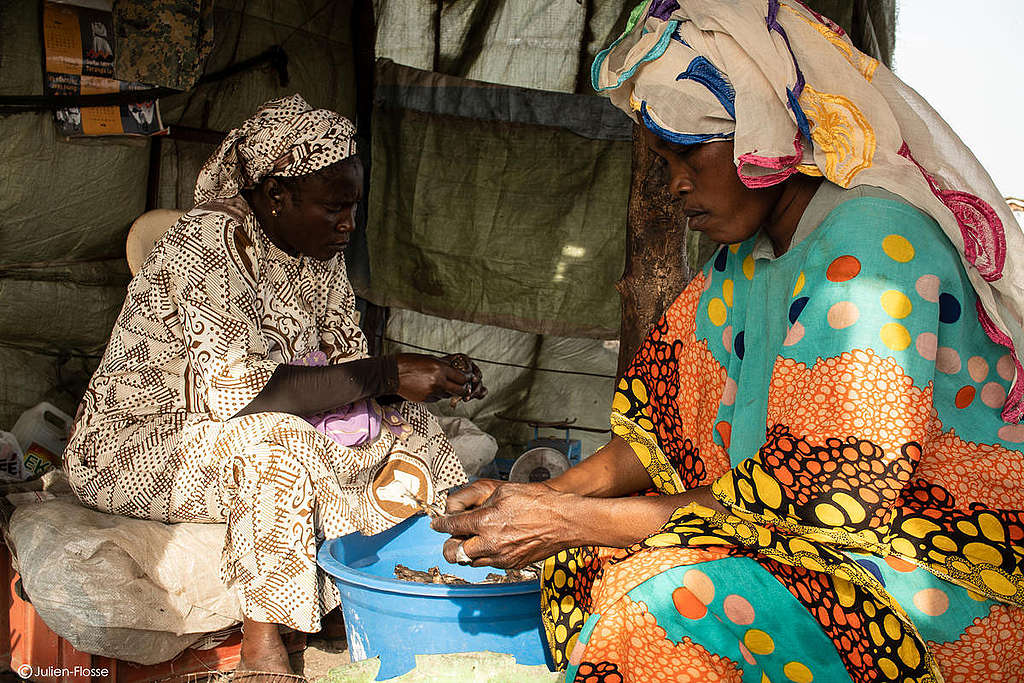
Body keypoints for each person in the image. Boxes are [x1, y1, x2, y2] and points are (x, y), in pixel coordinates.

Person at [433, 2, 1024, 681]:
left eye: (688, 153)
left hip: (932, 581)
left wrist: (568, 514)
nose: (674, 183)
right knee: (582, 558)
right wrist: (546, 503)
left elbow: (822, 497)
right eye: (663, 160)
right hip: (806, 547)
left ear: (767, 128)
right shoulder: (743, 262)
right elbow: (659, 424)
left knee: (662, 608)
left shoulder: (875, 248)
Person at [65, 94, 486, 675]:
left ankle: (400, 579)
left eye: (354, 208)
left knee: (410, 427)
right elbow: (245, 398)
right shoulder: (204, 246)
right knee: (275, 444)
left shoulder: (317, 253)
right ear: (277, 195)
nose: (348, 224)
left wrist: (421, 378)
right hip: (144, 447)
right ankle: (265, 638)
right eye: (334, 207)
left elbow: (342, 376)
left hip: (266, 420)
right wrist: (388, 371)